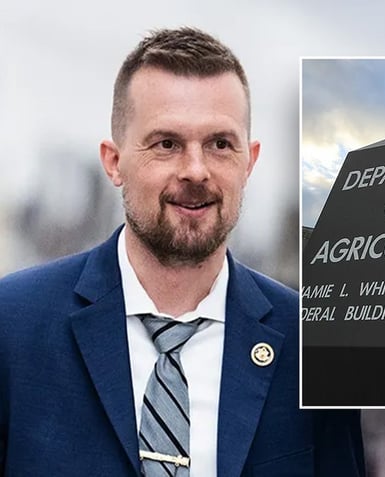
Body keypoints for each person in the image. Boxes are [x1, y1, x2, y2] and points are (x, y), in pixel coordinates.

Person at [0, 27, 364, 476]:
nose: (196, 171)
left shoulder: (312, 346)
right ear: (114, 162)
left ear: (248, 161)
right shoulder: (12, 325)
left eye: (219, 144)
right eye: (167, 144)